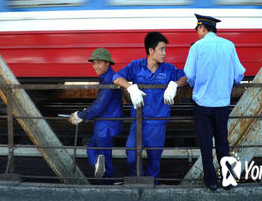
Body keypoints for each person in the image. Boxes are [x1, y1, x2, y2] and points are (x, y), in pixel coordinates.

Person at [113, 32, 187, 182]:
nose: (165, 53)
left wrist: (175, 84)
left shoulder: (168, 69)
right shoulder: (136, 66)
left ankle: (152, 184)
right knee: (132, 154)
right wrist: (130, 87)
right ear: (151, 50)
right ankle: (137, 179)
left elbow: (186, 77)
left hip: (158, 123)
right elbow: (116, 77)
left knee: (154, 158)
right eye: (162, 49)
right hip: (139, 121)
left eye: (165, 49)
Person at [184, 14, 245, 191]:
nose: (197, 33)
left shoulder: (197, 47)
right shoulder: (229, 46)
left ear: (202, 28)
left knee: (205, 145)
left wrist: (198, 85)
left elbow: (190, 76)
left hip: (202, 106)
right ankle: (227, 180)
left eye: (197, 29)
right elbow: (238, 75)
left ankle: (211, 181)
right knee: (222, 144)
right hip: (222, 105)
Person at [69, 48, 123, 184]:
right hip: (107, 123)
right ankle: (100, 169)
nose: (95, 66)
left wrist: (82, 115)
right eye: (94, 63)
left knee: (104, 157)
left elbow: (100, 105)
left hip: (105, 125)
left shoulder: (109, 80)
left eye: (98, 63)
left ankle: (106, 186)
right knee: (93, 147)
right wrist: (87, 114)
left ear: (107, 63)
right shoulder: (109, 77)